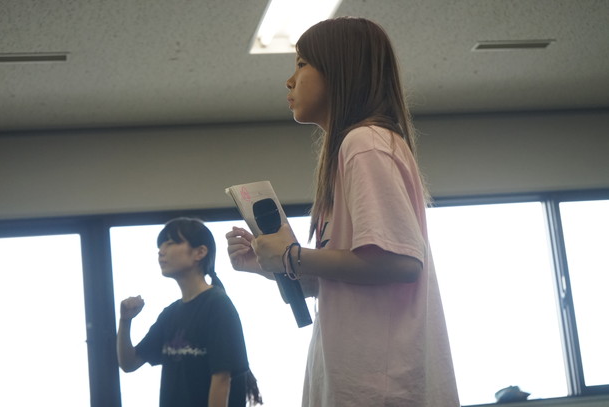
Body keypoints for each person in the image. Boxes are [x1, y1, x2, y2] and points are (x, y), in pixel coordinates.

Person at [225, 17, 459, 407]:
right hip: (357, 379)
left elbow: (400, 262)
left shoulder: (364, 143)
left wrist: (293, 255)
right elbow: (345, 279)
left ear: (340, 71)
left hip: (380, 387)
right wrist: (273, 264)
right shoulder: (354, 149)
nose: (289, 80)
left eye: (301, 64)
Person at [117, 217, 262, 407]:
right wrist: (125, 321)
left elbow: (221, 380)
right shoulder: (170, 314)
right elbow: (129, 363)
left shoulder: (218, 305)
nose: (161, 251)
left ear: (200, 252)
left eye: (170, 243)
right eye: (160, 246)